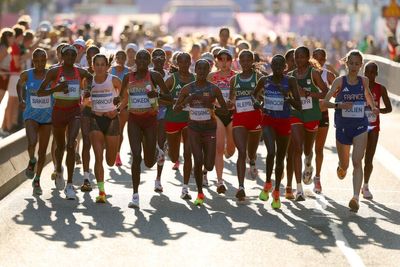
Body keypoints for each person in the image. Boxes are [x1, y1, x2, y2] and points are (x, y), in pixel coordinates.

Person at [323, 49, 379, 212]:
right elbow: (325, 102)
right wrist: (339, 105)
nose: (354, 67)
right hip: (342, 126)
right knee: (345, 164)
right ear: (346, 63)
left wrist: (373, 108)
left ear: (361, 65)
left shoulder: (364, 81)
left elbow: (368, 95)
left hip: (360, 125)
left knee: (357, 161)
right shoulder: (340, 82)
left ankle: (355, 197)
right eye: (351, 63)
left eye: (357, 64)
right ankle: (341, 166)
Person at [37, 45, 93, 200]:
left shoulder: (79, 71)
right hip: (58, 112)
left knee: (71, 145)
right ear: (61, 56)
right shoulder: (54, 71)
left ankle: (70, 185)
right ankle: (58, 169)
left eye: (72, 55)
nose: (69, 58)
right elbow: (41, 92)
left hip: (74, 111)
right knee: (60, 146)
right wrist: (56, 89)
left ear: (75, 57)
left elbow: (90, 76)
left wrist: (87, 89)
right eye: (66, 55)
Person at [174, 59, 227, 205]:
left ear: (209, 71)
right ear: (195, 70)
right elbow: (176, 109)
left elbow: (225, 109)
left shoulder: (214, 89)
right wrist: (189, 99)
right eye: (200, 69)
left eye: (205, 69)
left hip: (209, 128)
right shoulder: (187, 88)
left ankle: (204, 172)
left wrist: (211, 105)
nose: (202, 71)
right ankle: (200, 193)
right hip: (194, 129)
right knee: (197, 160)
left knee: (208, 165)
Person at [120, 49, 168, 208]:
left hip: (150, 121)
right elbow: (121, 97)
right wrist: (115, 102)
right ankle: (135, 195)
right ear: (135, 61)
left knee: (148, 162)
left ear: (149, 61)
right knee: (136, 156)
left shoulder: (155, 76)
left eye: (144, 59)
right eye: (138, 58)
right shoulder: (128, 77)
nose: (141, 61)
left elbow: (168, 97)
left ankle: (158, 151)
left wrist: (156, 95)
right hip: (134, 120)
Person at [253, 54, 301, 208]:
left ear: (285, 67)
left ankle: (276, 191)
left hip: (284, 121)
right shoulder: (264, 80)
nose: (278, 69)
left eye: (281, 66)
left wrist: (287, 98)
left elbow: (299, 105)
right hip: (268, 120)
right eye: (275, 66)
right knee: (271, 152)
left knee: (280, 158)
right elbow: (253, 96)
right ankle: (267, 183)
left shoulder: (290, 81)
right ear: (271, 66)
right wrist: (258, 104)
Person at [287, 46, 328, 201]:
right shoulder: (290, 76)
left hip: (312, 114)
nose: (299, 60)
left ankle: (309, 162)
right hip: (296, 113)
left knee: (307, 149)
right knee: (297, 147)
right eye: (296, 57)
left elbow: (326, 92)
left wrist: (310, 94)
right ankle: (299, 189)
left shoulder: (314, 73)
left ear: (308, 57)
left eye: (302, 57)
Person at [17, 48, 53, 195]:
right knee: (32, 142)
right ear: (33, 61)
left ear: (46, 60)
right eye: (36, 61)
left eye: (42, 61)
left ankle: (37, 179)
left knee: (43, 150)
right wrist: (21, 99)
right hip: (31, 114)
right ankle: (32, 160)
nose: (39, 64)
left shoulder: (51, 75)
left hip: (47, 117)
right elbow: (19, 85)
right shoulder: (27, 74)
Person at [229, 50, 263, 201]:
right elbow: (231, 100)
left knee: (251, 152)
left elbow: (265, 97)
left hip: (255, 119)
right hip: (239, 119)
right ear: (239, 62)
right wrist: (229, 104)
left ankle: (253, 161)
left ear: (252, 61)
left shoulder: (259, 77)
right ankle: (241, 186)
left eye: (248, 60)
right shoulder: (234, 79)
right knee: (241, 152)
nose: (245, 63)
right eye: (242, 60)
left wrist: (259, 102)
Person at [89, 53, 121, 203]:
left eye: (103, 64)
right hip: (96, 120)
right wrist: (88, 104)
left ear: (107, 67)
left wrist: (117, 109)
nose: (100, 67)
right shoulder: (88, 82)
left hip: (112, 120)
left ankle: (112, 153)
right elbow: (84, 99)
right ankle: (101, 191)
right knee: (98, 158)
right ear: (93, 66)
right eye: (97, 64)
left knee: (110, 161)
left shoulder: (113, 80)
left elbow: (126, 95)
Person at [164, 52, 195, 199]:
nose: (184, 65)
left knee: (188, 154)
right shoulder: (172, 80)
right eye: (181, 62)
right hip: (173, 119)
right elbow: (160, 98)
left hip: (190, 121)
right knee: (174, 156)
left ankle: (185, 188)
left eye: (187, 62)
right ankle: (169, 148)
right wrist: (176, 104)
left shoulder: (195, 79)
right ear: (177, 63)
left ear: (190, 62)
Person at [206, 49, 236, 193]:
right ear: (216, 61)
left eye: (227, 59)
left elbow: (237, 94)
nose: (224, 63)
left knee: (230, 150)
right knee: (218, 148)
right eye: (221, 59)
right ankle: (219, 181)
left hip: (231, 114)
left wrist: (232, 102)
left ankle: (226, 151)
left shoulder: (235, 77)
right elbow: (207, 95)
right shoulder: (212, 77)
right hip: (217, 113)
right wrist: (216, 104)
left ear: (232, 60)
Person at [362, 61, 392, 200]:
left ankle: (366, 185)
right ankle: (357, 184)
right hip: (359, 125)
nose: (370, 75)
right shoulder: (359, 86)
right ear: (364, 73)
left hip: (373, 126)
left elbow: (389, 108)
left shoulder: (381, 89)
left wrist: (378, 110)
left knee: (369, 158)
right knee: (358, 157)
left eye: (373, 72)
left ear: (377, 74)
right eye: (367, 72)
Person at [311, 48, 336, 194]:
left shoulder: (329, 75)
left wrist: (329, 99)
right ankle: (308, 165)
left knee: (319, 149)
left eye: (321, 59)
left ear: (325, 60)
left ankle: (317, 178)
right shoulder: (305, 73)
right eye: (315, 57)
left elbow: (338, 93)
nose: (318, 61)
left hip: (322, 115)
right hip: (307, 115)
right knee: (305, 148)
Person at [79, 45, 100, 192]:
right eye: (90, 57)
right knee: (86, 142)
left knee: (100, 148)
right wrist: (85, 98)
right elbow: (81, 96)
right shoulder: (83, 75)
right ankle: (86, 177)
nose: (93, 60)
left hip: (102, 114)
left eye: (96, 57)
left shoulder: (108, 75)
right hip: (86, 112)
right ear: (87, 59)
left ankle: (100, 179)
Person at [151, 48, 170, 192]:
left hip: (163, 112)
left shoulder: (170, 76)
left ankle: (158, 179)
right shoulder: (146, 75)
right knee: (150, 149)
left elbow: (170, 98)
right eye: (155, 57)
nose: (158, 59)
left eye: (161, 57)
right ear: (152, 60)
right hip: (147, 113)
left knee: (161, 144)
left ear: (165, 60)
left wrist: (158, 97)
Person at [111, 50, 129, 166]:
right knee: (110, 131)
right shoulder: (109, 70)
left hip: (125, 105)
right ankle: (110, 150)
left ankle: (117, 154)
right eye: (118, 57)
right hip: (110, 104)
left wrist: (122, 105)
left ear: (125, 59)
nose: (120, 59)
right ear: (115, 58)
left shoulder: (129, 72)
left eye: (123, 57)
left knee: (119, 131)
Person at [0, 28, 14, 106]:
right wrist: (2, 73)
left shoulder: (6, 48)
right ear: (8, 37)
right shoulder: (3, 48)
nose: (13, 39)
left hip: (4, 76)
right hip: (2, 77)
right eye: (13, 37)